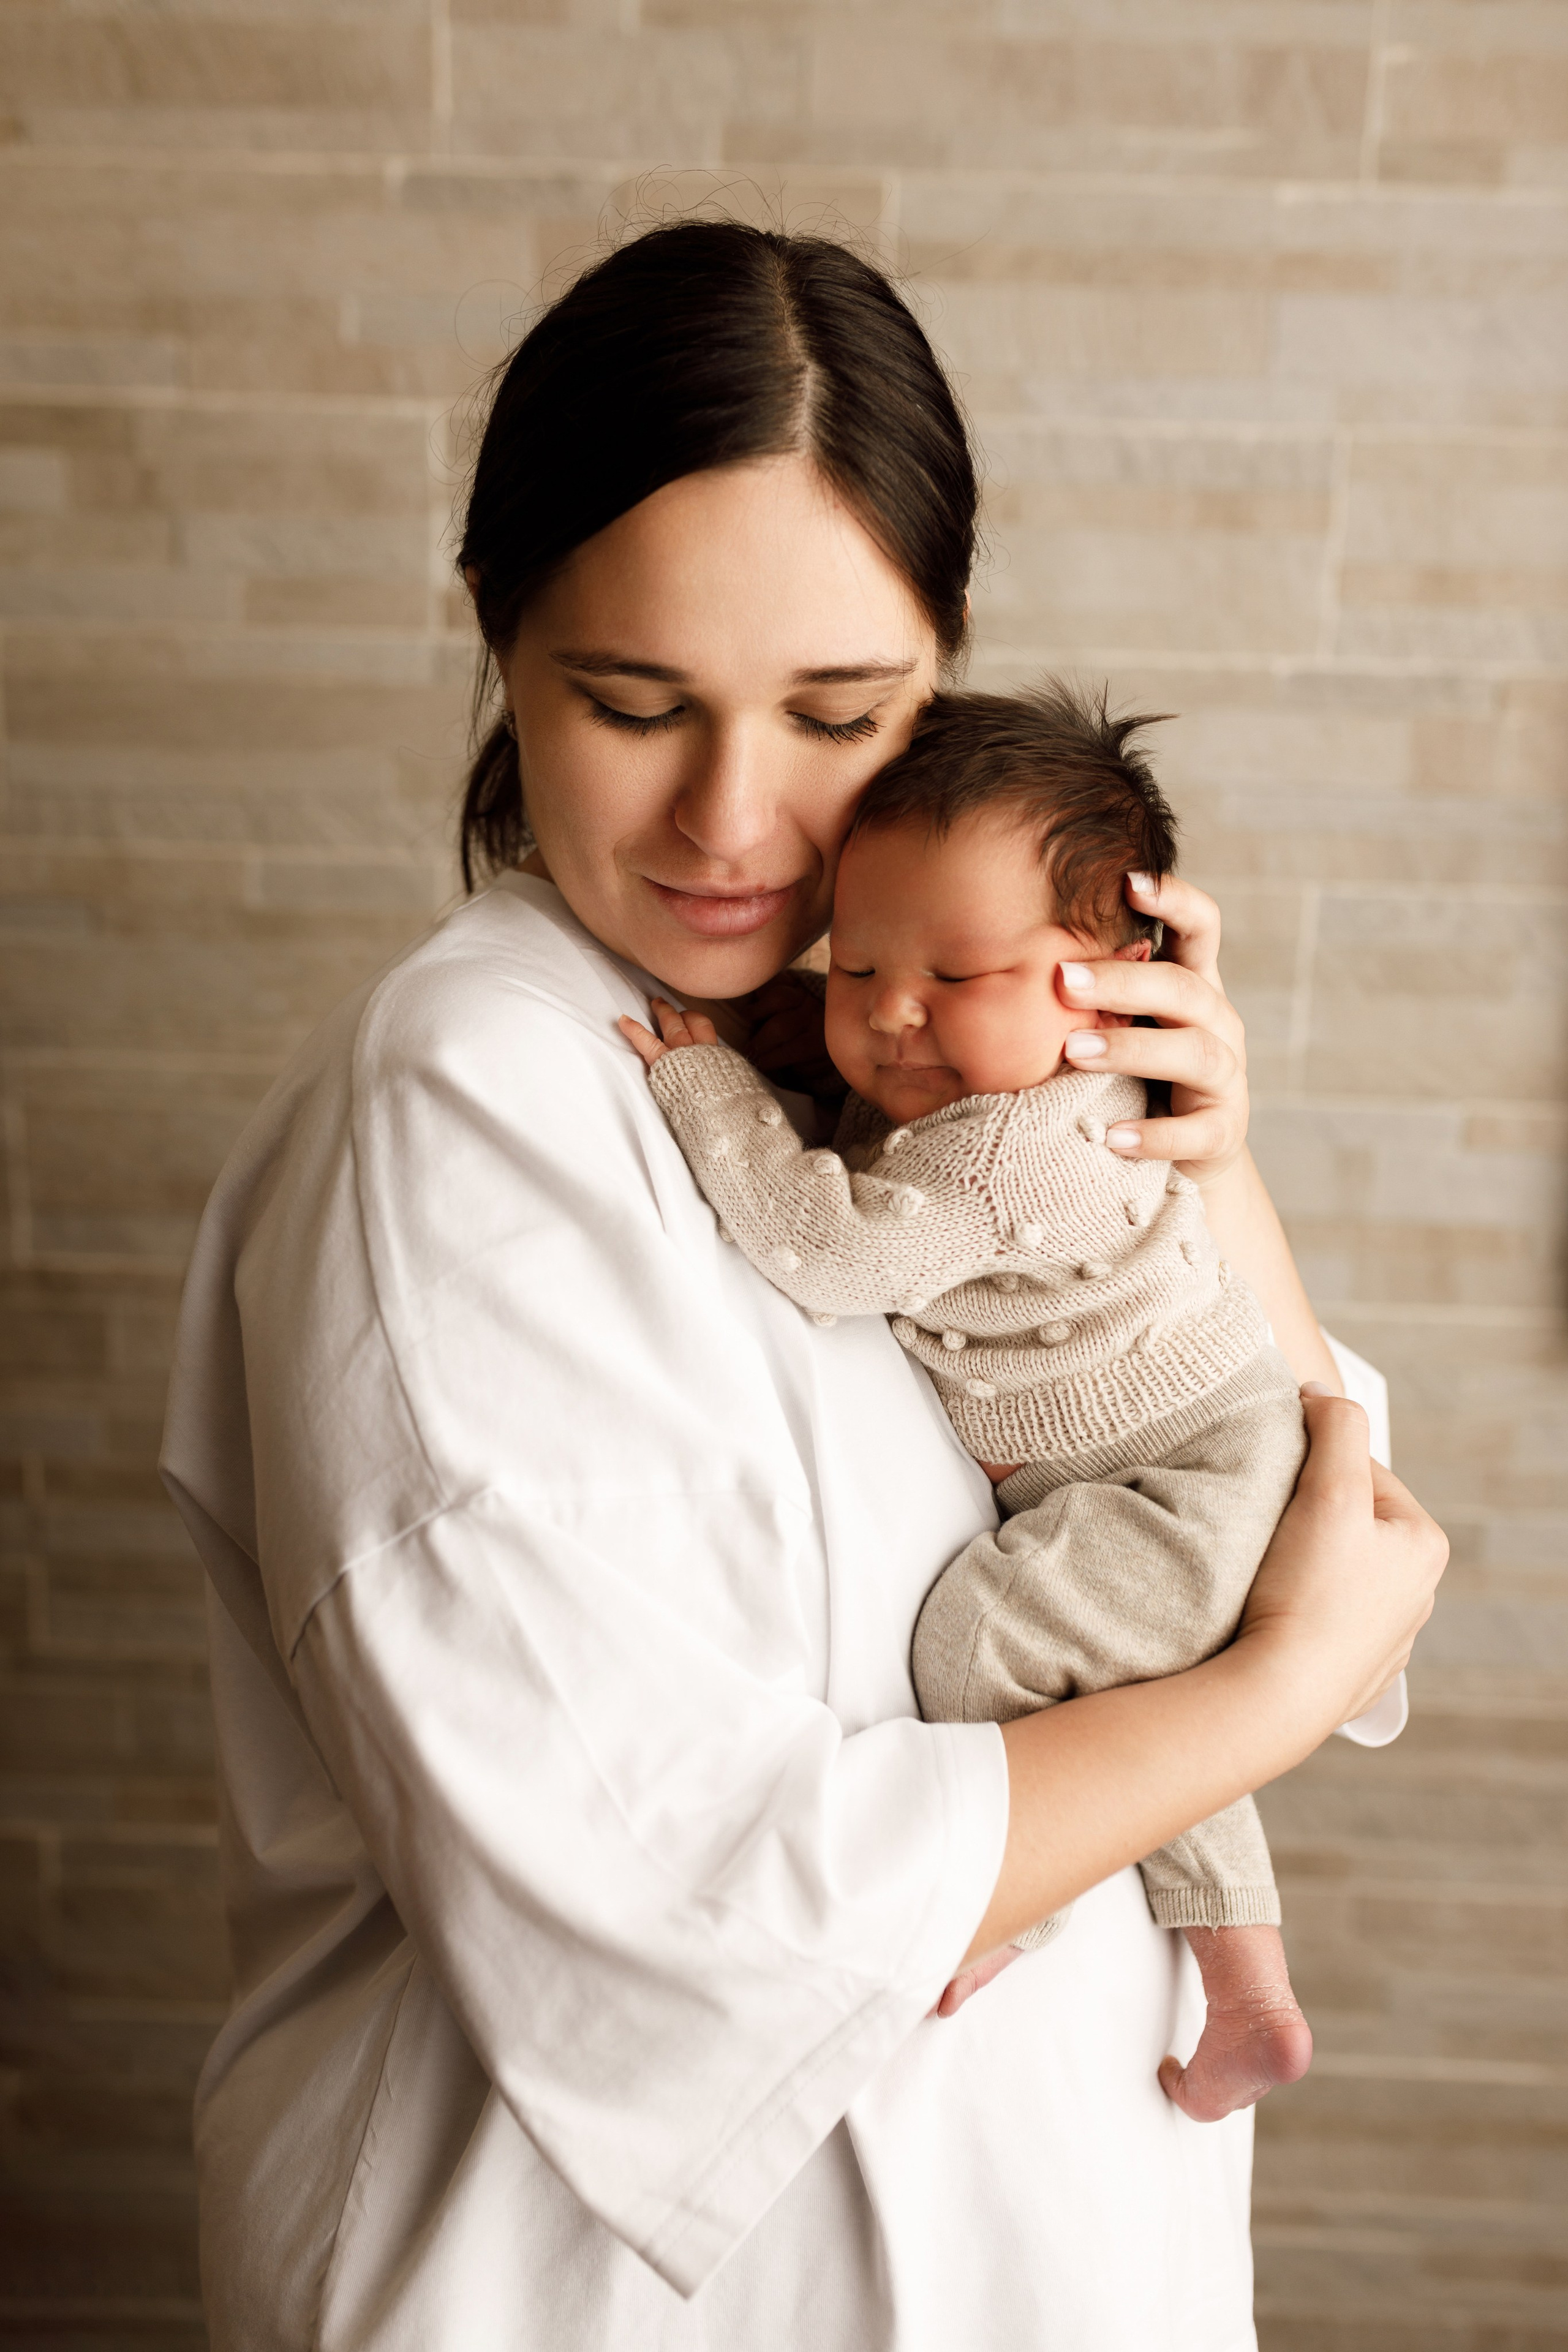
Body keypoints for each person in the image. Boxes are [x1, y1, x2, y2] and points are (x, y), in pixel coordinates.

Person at [160, 222, 1444, 2352]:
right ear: (499, 635)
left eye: (843, 714)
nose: (735, 820)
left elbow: (1323, 1521)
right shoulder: (465, 1110)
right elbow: (677, 1896)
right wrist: (1268, 1698)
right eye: (633, 703)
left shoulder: (899, 1057)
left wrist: (1203, 1159)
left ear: (945, 671)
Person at [619, 677, 1349, 2125]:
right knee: (1152, 1710)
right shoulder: (979, 1087)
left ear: (1119, 981)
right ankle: (1249, 1997)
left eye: (956, 975)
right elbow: (874, 1116)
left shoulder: (1008, 1150)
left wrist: (707, 1084)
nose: (892, 1015)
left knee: (980, 1644)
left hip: (1177, 1483)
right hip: (1196, 1457)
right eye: (851, 966)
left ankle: (1017, 1899)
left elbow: (827, 1248)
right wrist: (795, 1033)